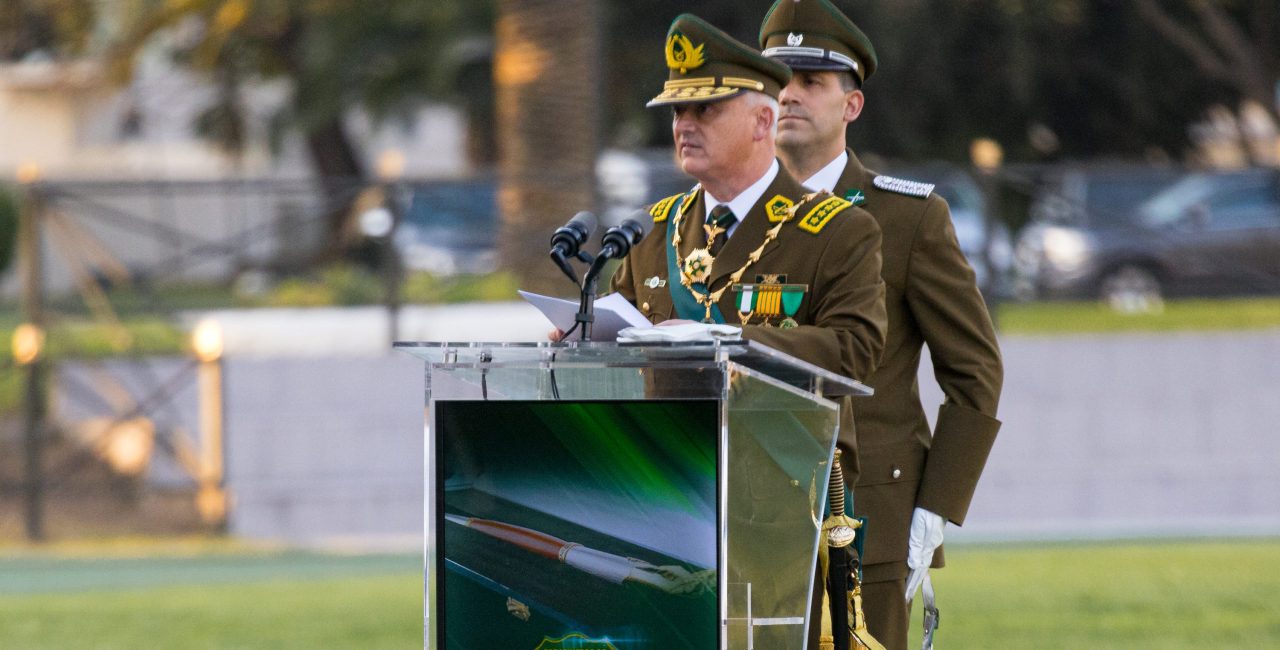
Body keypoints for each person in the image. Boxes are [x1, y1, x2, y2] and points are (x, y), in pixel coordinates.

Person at [759, 1, 1005, 648]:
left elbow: (975, 370)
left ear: (852, 106)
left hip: (866, 525)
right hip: (752, 520)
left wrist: (936, 507)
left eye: (810, 81)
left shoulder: (908, 220)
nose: (789, 95)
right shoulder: (738, 227)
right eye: (777, 79)